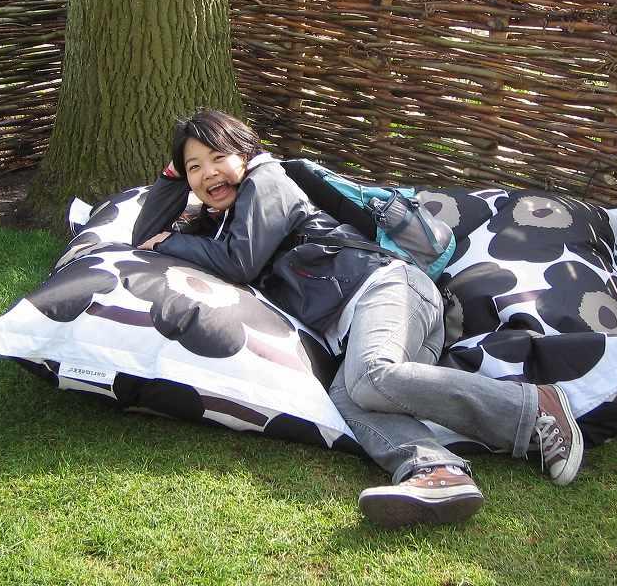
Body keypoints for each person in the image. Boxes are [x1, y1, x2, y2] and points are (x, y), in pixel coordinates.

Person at [140, 110, 585, 529]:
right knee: (349, 397)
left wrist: (167, 244)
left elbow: (238, 263)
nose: (208, 173)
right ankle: (436, 471)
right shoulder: (217, 223)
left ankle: (533, 407)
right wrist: (171, 176)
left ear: (246, 154)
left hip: (387, 287)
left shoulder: (267, 181)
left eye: (218, 157)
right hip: (363, 323)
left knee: (371, 377)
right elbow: (143, 235)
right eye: (195, 167)